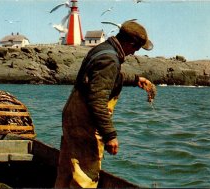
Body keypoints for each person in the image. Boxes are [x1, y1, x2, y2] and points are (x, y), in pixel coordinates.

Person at [55, 20, 154, 188]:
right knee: (85, 175)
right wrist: (110, 135)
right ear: (130, 43)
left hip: (73, 115)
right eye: (136, 48)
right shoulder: (110, 59)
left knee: (67, 169)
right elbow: (98, 100)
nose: (134, 53)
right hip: (85, 122)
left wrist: (136, 79)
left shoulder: (102, 50)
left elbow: (103, 77)